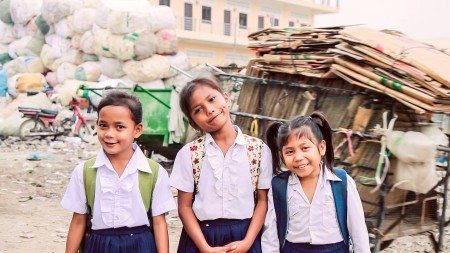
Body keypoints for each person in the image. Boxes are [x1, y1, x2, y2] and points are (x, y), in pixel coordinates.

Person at [61, 91, 175, 253]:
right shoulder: (84, 172)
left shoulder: (155, 172)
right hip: (98, 245)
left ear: (137, 130)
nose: (109, 134)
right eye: (103, 125)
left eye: (119, 127)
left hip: (141, 245)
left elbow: (159, 222)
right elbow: (79, 221)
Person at [170, 76, 273, 253]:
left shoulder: (258, 149)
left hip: (245, 235)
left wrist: (248, 242)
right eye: (198, 110)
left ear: (226, 98)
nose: (209, 110)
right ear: (194, 123)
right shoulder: (189, 153)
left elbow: (263, 201)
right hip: (201, 238)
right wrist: (205, 248)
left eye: (212, 99)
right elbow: (184, 206)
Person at [262, 112, 370, 253]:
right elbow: (270, 235)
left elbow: (358, 231)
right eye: (289, 152)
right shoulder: (278, 187)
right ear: (282, 155)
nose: (298, 157)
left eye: (305, 148)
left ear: (322, 147)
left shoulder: (341, 183)